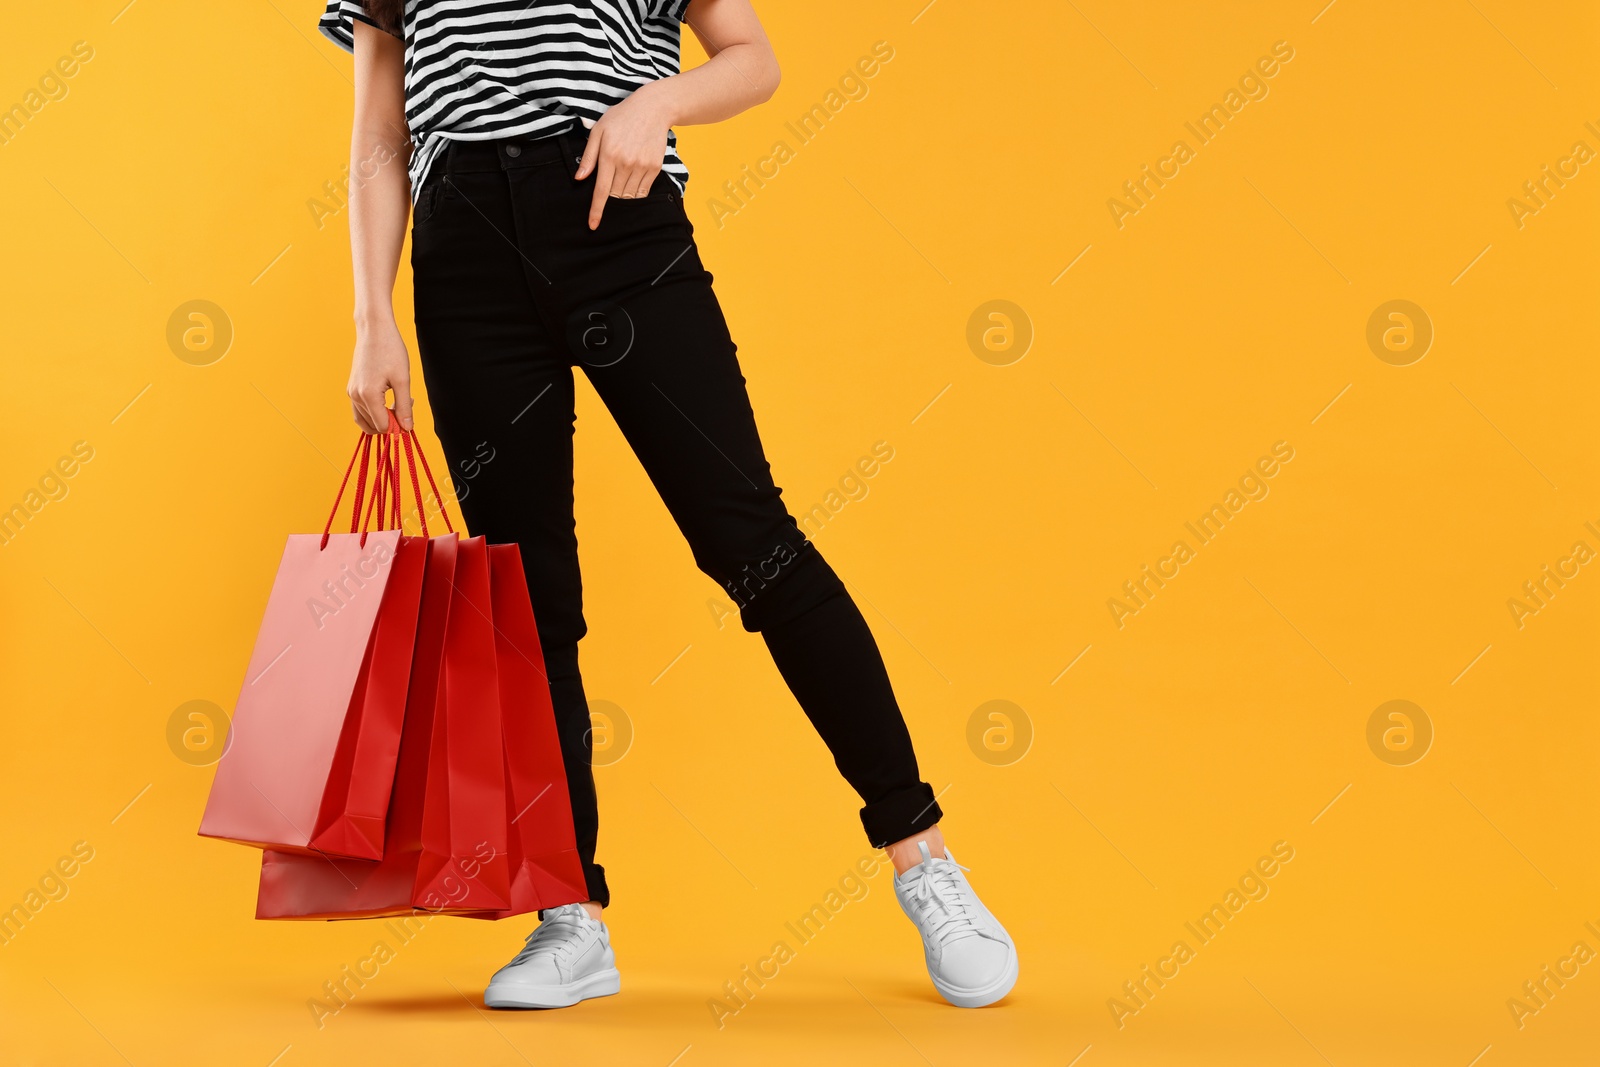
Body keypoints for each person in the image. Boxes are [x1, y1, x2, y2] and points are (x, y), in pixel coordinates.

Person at [317, 0, 1017, 1010]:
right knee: (523, 598)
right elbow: (382, 127)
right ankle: (571, 915)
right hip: (462, 251)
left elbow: (750, 57)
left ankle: (924, 859)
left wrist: (658, 101)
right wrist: (371, 315)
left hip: (617, 227)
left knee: (753, 543)